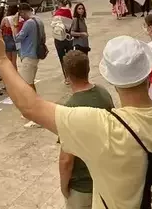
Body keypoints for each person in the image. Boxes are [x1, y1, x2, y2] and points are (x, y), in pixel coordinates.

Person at [0, 34, 152, 208]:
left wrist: (1, 59)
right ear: (149, 73)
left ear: (111, 78)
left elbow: (31, 106)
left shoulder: (102, 128)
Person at [58, 50, 115, 208]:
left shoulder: (69, 109)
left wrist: (64, 187)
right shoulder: (104, 94)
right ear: (88, 69)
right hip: (105, 178)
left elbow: (66, 159)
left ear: (67, 76)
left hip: (82, 185)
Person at [15, 3, 45, 92]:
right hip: (36, 54)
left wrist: (15, 25)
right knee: (30, 82)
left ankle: (35, 102)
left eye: (20, 14)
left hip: (28, 55)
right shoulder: (39, 21)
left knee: (27, 84)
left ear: (23, 12)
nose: (21, 17)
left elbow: (17, 38)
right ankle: (34, 102)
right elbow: (44, 37)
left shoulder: (28, 23)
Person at [52, 0, 74, 84]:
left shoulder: (57, 13)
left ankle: (67, 77)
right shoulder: (69, 12)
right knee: (70, 57)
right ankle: (72, 76)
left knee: (62, 58)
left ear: (59, 3)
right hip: (69, 38)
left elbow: (53, 25)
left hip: (59, 38)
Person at [0, 4, 19, 71]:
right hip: (16, 39)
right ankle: (16, 76)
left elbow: (0, 28)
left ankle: (10, 77)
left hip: (7, 39)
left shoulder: (6, 19)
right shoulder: (18, 18)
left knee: (9, 61)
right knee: (14, 61)